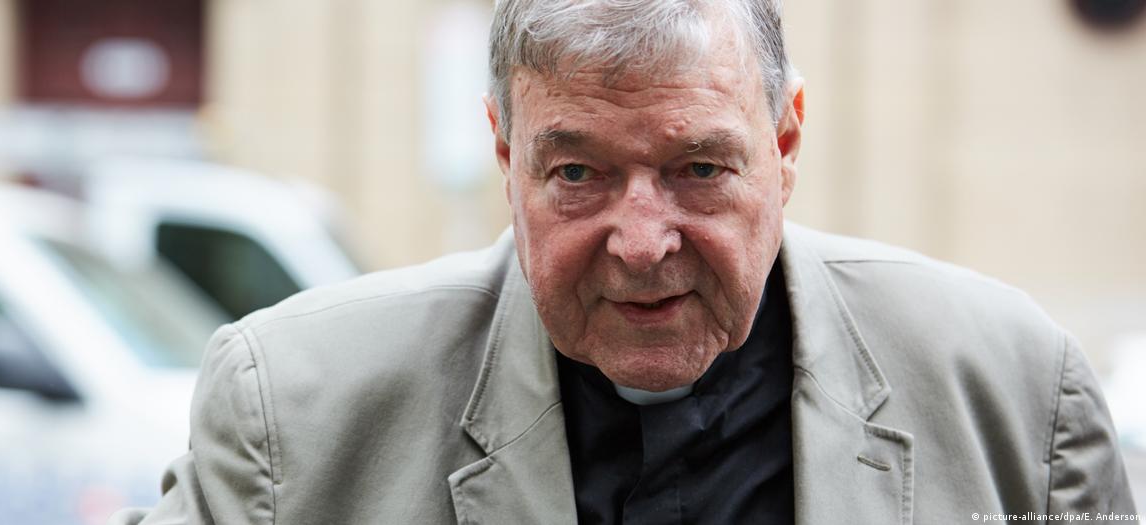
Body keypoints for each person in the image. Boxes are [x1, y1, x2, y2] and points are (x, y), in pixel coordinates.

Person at [112, 0, 1138, 523]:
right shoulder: (292, 414)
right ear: (505, 156)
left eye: (699, 168)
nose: (643, 243)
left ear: (785, 145)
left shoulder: (1013, 392)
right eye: (577, 173)